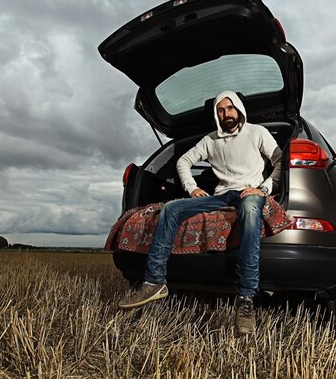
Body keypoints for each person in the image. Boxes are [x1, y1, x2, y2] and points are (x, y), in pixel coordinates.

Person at [118, 90, 282, 334]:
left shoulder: (257, 133)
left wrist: (264, 189)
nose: (226, 113)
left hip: (249, 193)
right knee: (171, 208)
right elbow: (183, 161)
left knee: (249, 213)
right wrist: (192, 188)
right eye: (220, 110)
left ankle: (245, 298)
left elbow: (280, 160)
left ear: (238, 109)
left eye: (229, 108)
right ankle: (154, 282)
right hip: (220, 195)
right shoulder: (210, 140)